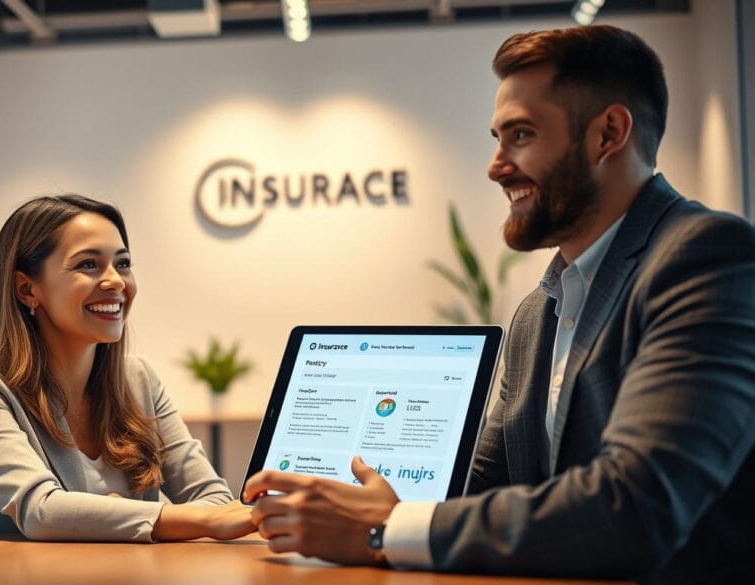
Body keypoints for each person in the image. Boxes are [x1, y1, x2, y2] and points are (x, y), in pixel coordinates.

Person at [244, 25, 755, 584]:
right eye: (497, 137)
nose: (495, 165)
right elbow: (475, 489)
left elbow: (635, 505)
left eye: (521, 135)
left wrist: (381, 530)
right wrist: (336, 506)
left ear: (608, 133)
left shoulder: (706, 257)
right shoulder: (540, 312)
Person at [0, 194, 255, 542]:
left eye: (124, 263)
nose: (116, 281)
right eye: (88, 264)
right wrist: (115, 510)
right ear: (27, 288)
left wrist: (108, 513)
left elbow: (215, 501)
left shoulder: (139, 381)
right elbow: (41, 512)